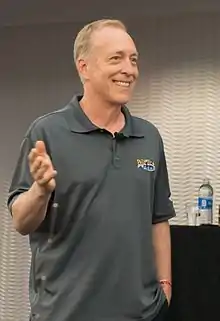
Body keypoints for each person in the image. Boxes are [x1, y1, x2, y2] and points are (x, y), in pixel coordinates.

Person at [7, 19, 176, 321]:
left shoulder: (149, 137)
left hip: (139, 314)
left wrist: (165, 288)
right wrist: (41, 190)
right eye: (116, 58)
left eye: (133, 59)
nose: (129, 69)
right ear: (84, 68)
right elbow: (21, 221)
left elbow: (158, 218)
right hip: (65, 313)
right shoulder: (47, 132)